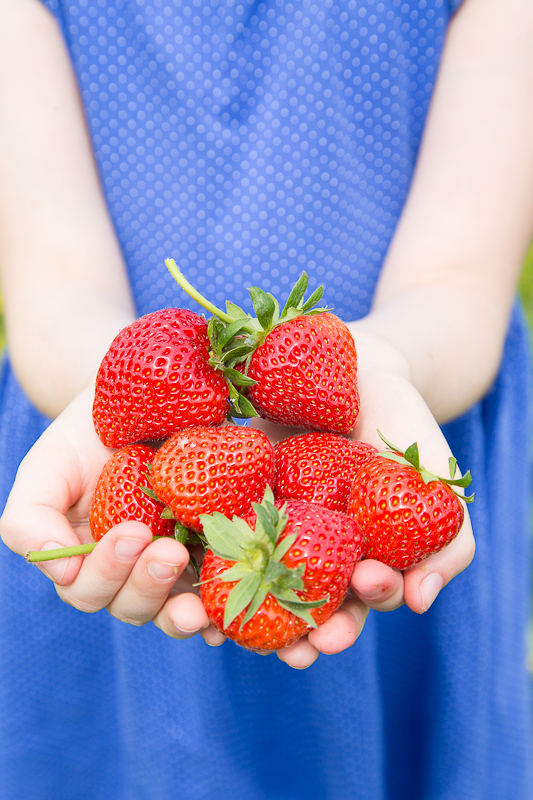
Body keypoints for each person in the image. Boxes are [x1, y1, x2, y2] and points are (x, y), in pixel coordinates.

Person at [0, 0, 532, 797]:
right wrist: (102, 393)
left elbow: (456, 280)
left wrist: (379, 367)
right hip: (119, 455)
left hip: (396, 431)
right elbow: (56, 286)